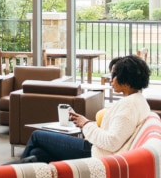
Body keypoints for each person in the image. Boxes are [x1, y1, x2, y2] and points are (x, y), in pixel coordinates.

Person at [18, 54, 152, 163]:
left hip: (94, 152)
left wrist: (86, 124)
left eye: (113, 76)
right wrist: (86, 123)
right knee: (37, 154)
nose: (111, 80)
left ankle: (14, 175)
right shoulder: (137, 101)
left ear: (126, 79)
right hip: (98, 149)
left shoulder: (128, 106)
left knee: (37, 136)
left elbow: (111, 142)